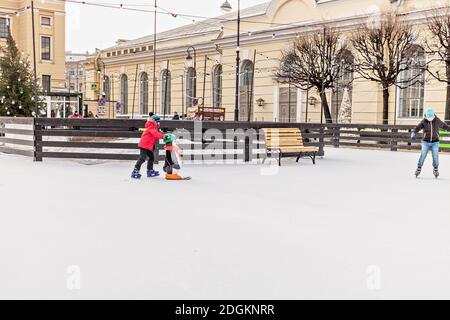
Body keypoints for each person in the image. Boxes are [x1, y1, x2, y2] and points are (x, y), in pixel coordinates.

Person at [411, 108, 450, 178]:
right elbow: (417, 128)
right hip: (425, 142)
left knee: (435, 156)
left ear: (433, 115)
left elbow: (445, 126)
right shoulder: (424, 121)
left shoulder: (437, 120)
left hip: (435, 142)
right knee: (423, 155)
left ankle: (435, 169)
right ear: (426, 116)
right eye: (428, 117)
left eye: (431, 117)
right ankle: (419, 168)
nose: (430, 119)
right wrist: (413, 133)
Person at [131, 115, 164, 179]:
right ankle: (135, 170)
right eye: (157, 122)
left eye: (159, 122)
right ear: (153, 121)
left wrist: (163, 134)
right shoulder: (151, 127)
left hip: (148, 146)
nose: (158, 123)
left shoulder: (154, 127)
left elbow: (156, 135)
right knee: (142, 158)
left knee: (151, 158)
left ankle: (150, 171)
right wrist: (164, 136)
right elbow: (156, 135)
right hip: (144, 145)